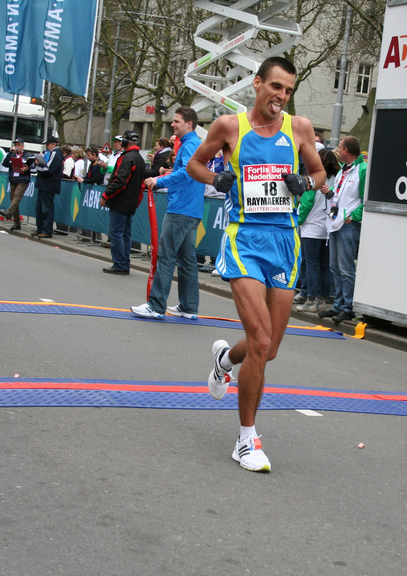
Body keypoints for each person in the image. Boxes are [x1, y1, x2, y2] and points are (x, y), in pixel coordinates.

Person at [186, 57, 325, 472]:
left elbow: (320, 173)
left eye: (288, 90)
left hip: (285, 242)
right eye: (276, 87)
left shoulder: (299, 128)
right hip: (244, 239)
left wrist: (306, 182)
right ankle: (246, 439)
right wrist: (216, 179)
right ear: (258, 83)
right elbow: (194, 164)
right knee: (261, 341)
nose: (281, 96)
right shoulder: (230, 126)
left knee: (269, 349)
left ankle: (225, 361)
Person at [131, 106, 205, 319]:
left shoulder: (189, 145)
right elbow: (188, 172)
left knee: (166, 256)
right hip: (191, 209)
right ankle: (189, 307)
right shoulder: (193, 144)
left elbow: (187, 173)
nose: (172, 124)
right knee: (187, 260)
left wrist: (159, 180)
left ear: (189, 123)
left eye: (176, 121)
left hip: (181, 209)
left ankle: (156, 306)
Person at [318, 136, 366, 323]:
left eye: (339, 147)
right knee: (335, 267)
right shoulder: (343, 170)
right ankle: (338, 305)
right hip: (335, 222)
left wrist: (353, 217)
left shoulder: (362, 170)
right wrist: (329, 193)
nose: (337, 150)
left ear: (346, 150)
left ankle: (348, 307)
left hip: (347, 225)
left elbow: (365, 199)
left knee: (346, 268)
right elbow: (340, 196)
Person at [296, 147, 339, 312]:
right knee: (325, 265)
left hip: (311, 226)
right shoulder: (337, 178)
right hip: (328, 226)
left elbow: (306, 203)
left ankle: (311, 300)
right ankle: (322, 300)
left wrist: (298, 220)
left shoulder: (315, 178)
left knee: (311, 264)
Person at [98, 131, 145, 275]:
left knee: (116, 233)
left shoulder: (127, 158)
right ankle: (124, 263)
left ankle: (119, 264)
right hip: (130, 202)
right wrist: (137, 201)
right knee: (125, 234)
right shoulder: (139, 158)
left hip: (120, 201)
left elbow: (120, 181)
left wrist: (106, 195)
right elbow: (141, 183)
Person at [32, 136, 65, 239]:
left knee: (46, 209)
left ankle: (47, 230)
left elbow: (48, 169)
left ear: (54, 144)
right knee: (39, 208)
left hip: (49, 185)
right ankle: (40, 228)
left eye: (48, 144)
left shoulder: (55, 154)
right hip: (44, 184)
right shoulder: (51, 153)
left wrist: (38, 165)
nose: (47, 146)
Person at [0, 138, 34, 230]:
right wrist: (9, 153)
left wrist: (27, 169)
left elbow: (34, 168)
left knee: (17, 196)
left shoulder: (27, 156)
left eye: (19, 145)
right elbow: (5, 164)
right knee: (14, 201)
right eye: (16, 145)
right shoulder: (12, 155)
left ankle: (9, 212)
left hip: (23, 179)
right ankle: (17, 223)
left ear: (23, 146)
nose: (17, 147)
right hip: (13, 179)